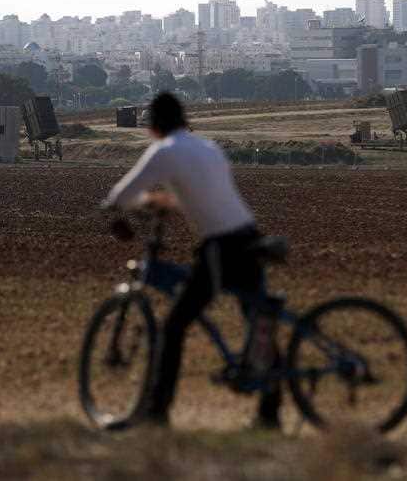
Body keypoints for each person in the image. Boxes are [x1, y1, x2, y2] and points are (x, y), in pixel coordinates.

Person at [103, 92, 281, 429]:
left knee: (173, 327)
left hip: (221, 246)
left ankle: (156, 413)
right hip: (248, 235)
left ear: (153, 126)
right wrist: (162, 202)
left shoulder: (164, 151)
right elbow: (201, 195)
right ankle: (270, 413)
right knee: (257, 321)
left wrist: (112, 208)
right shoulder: (207, 147)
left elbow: (122, 195)